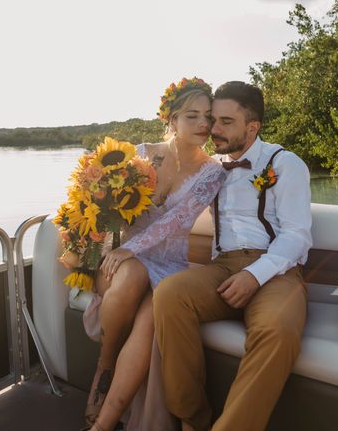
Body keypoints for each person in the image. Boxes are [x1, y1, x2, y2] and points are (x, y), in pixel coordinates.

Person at [153, 81, 312, 431]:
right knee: (169, 294)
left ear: (251, 127)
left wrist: (254, 275)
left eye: (225, 121)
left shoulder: (285, 164)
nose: (213, 129)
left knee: (277, 331)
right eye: (213, 119)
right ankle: (191, 419)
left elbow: (297, 235)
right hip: (221, 268)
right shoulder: (212, 169)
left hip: (275, 272)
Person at [81, 78, 227, 431]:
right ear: (171, 119)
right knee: (131, 274)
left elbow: (178, 219)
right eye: (192, 116)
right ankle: (106, 364)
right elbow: (93, 204)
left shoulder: (213, 172)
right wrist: (105, 247)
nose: (203, 125)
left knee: (151, 318)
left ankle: (103, 423)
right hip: (120, 261)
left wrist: (132, 248)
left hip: (167, 266)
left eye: (208, 117)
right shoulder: (139, 154)